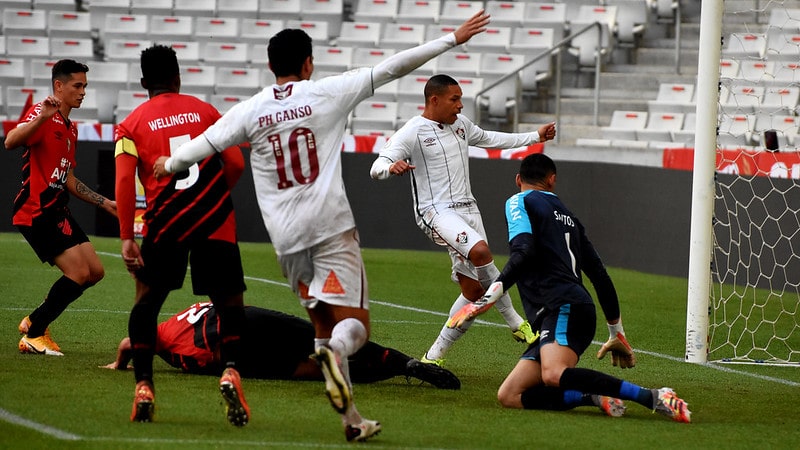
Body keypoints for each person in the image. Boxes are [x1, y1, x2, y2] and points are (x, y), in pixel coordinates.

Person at [152, 11, 491, 442]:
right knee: (355, 328)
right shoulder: (327, 92)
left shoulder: (251, 109)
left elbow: (203, 145)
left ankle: (352, 422)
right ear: (308, 63)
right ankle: (337, 356)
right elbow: (393, 67)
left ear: (271, 65)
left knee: (321, 325)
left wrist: (169, 164)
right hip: (330, 228)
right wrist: (451, 39)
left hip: (286, 239)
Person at [450, 153, 691, 422]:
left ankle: (654, 397)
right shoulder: (570, 218)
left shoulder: (518, 200)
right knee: (510, 395)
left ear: (518, 179)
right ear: (552, 181)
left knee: (552, 375)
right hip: (573, 309)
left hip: (561, 305)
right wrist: (616, 332)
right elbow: (599, 275)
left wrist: (485, 299)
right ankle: (595, 397)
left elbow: (524, 252)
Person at [369, 74, 557, 367]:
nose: (460, 105)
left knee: (474, 292)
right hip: (436, 212)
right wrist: (390, 167)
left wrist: (535, 137)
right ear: (434, 99)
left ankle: (434, 357)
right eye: (454, 99)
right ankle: (517, 322)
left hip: (469, 210)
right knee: (481, 252)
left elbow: (492, 138)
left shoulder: (461, 125)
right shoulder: (413, 131)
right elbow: (376, 165)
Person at [114, 45, 250, 427]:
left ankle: (144, 385)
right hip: (215, 221)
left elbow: (125, 181)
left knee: (146, 302)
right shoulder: (206, 111)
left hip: (165, 222)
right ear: (178, 77)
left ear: (144, 84)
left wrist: (127, 236)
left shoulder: (131, 124)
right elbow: (236, 161)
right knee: (229, 304)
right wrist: (216, 195)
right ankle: (232, 371)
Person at [5, 59, 117, 357]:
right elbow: (10, 141)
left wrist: (104, 202)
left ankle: (34, 319)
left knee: (95, 271)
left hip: (57, 210)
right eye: (77, 86)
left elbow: (67, 177)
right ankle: (34, 333)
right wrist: (41, 117)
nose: (82, 92)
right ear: (59, 86)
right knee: (78, 272)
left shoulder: (70, 128)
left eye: (85, 87)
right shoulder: (43, 114)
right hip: (35, 211)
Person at [103, 301, 461, 390]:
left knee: (321, 370)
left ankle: (399, 371)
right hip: (252, 316)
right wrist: (121, 362)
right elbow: (128, 343)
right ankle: (407, 364)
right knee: (324, 338)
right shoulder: (171, 322)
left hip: (243, 344)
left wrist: (121, 364)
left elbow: (129, 343)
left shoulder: (174, 345)